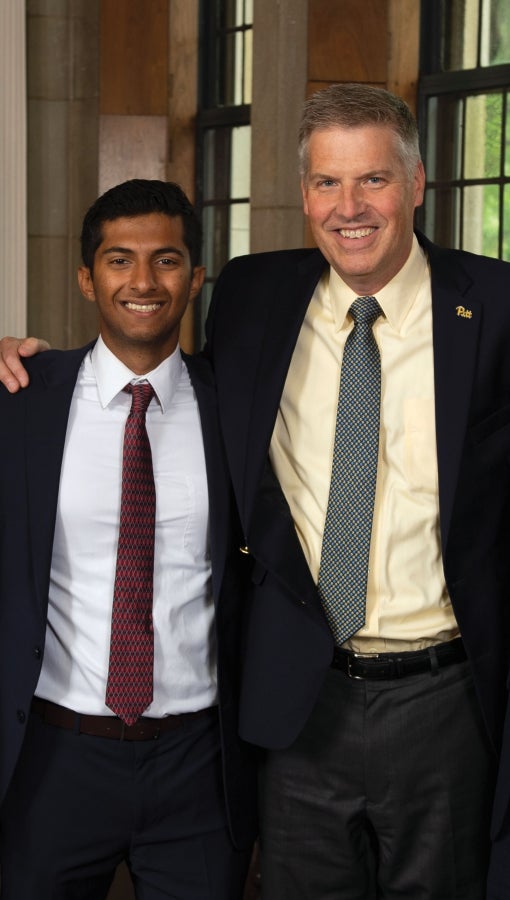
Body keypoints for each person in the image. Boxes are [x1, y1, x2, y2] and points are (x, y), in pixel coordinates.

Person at [3, 84, 510, 899]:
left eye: (373, 180)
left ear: (416, 184)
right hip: (293, 703)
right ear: (303, 194)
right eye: (326, 183)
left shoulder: (495, 306)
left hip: (441, 701)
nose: (349, 207)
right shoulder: (256, 299)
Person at [0, 179, 257, 900]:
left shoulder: (236, 405)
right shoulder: (22, 398)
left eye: (167, 260)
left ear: (196, 277)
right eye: (119, 260)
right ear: (87, 277)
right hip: (51, 759)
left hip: (197, 770)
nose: (143, 281)